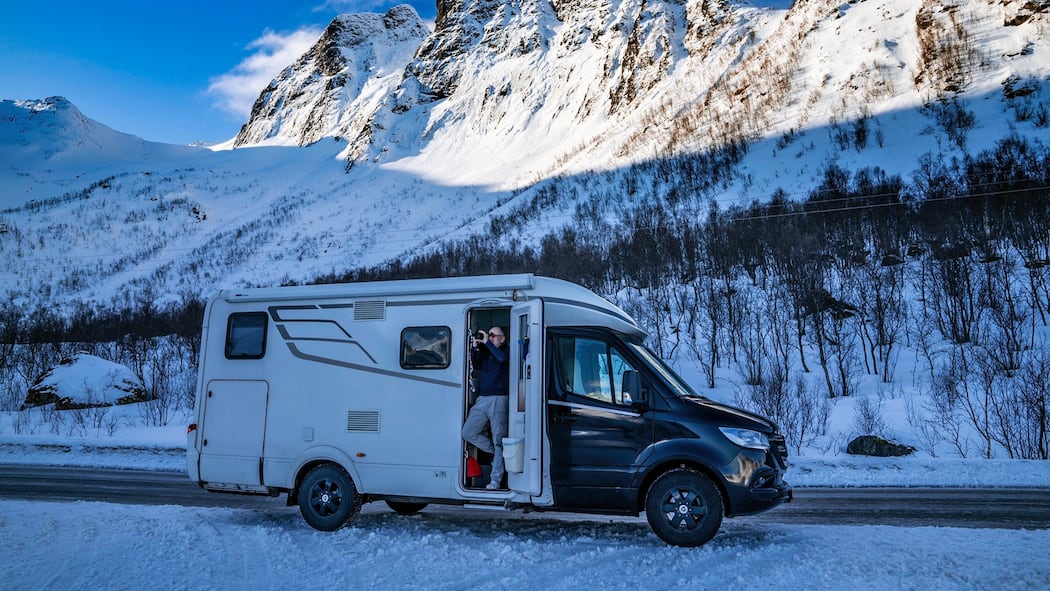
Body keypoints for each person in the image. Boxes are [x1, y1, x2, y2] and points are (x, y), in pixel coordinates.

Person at [461, 326, 509, 490]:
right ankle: (497, 453)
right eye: (489, 335)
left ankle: (495, 480)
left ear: (503, 338)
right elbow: (475, 364)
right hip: (482, 399)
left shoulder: (506, 351)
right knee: (468, 432)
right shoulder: (487, 350)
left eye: (493, 335)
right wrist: (475, 345)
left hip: (499, 399)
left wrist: (487, 343)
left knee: (499, 440)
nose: (490, 337)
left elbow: (502, 359)